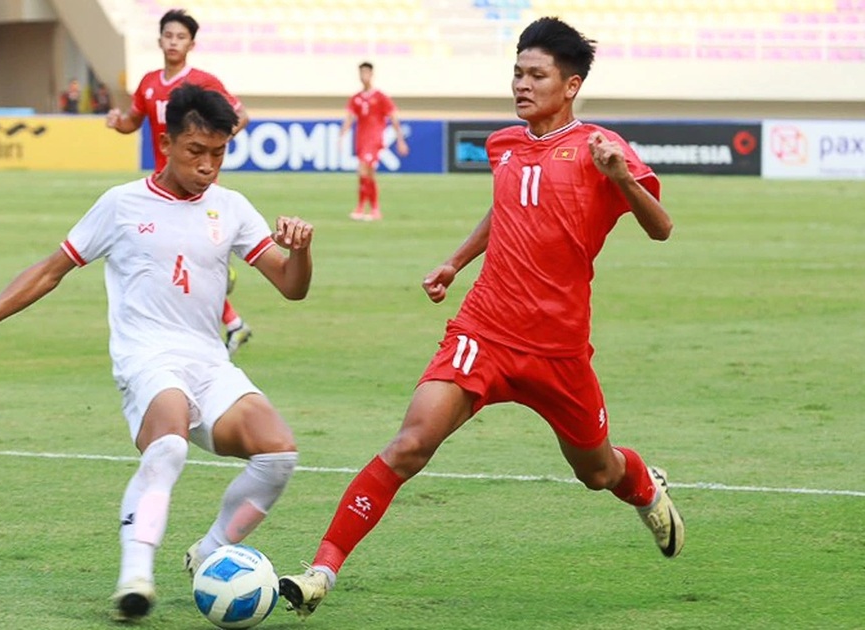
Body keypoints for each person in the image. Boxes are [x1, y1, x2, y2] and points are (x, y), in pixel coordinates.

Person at [278, 17, 684, 620]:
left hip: (558, 351)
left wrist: (622, 178)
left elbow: (661, 227)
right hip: (484, 333)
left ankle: (646, 488)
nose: (521, 84)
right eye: (517, 72)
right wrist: (455, 262)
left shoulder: (603, 148)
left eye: (536, 75)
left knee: (597, 472)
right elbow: (508, 211)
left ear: (569, 85)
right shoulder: (504, 145)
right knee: (409, 445)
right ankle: (320, 571)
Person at [0, 83, 315, 623]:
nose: (208, 166)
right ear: (165, 141)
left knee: (279, 453)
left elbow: (292, 287)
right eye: (195, 152)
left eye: (219, 154)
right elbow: (50, 270)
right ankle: (135, 577)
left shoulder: (231, 208)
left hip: (209, 363)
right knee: (170, 445)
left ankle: (209, 550)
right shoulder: (122, 204)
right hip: (147, 361)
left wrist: (302, 251)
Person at [106, 8, 254, 355]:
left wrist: (208, 150)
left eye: (180, 37)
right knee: (167, 261)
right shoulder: (148, 83)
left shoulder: (203, 82)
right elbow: (133, 122)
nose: (173, 42)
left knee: (179, 261)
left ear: (191, 44)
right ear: (160, 41)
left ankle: (220, 308)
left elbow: (240, 115)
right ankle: (231, 323)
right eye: (169, 36)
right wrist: (117, 121)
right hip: (160, 189)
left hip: (193, 190)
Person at [342, 61, 409, 222]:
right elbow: (349, 118)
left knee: (363, 170)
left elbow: (393, 117)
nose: (363, 76)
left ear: (371, 74)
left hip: (374, 139)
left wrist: (400, 140)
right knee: (369, 173)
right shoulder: (356, 98)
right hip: (361, 139)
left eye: (366, 73)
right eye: (361, 73)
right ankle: (373, 209)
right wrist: (342, 135)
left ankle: (362, 208)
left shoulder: (380, 97)